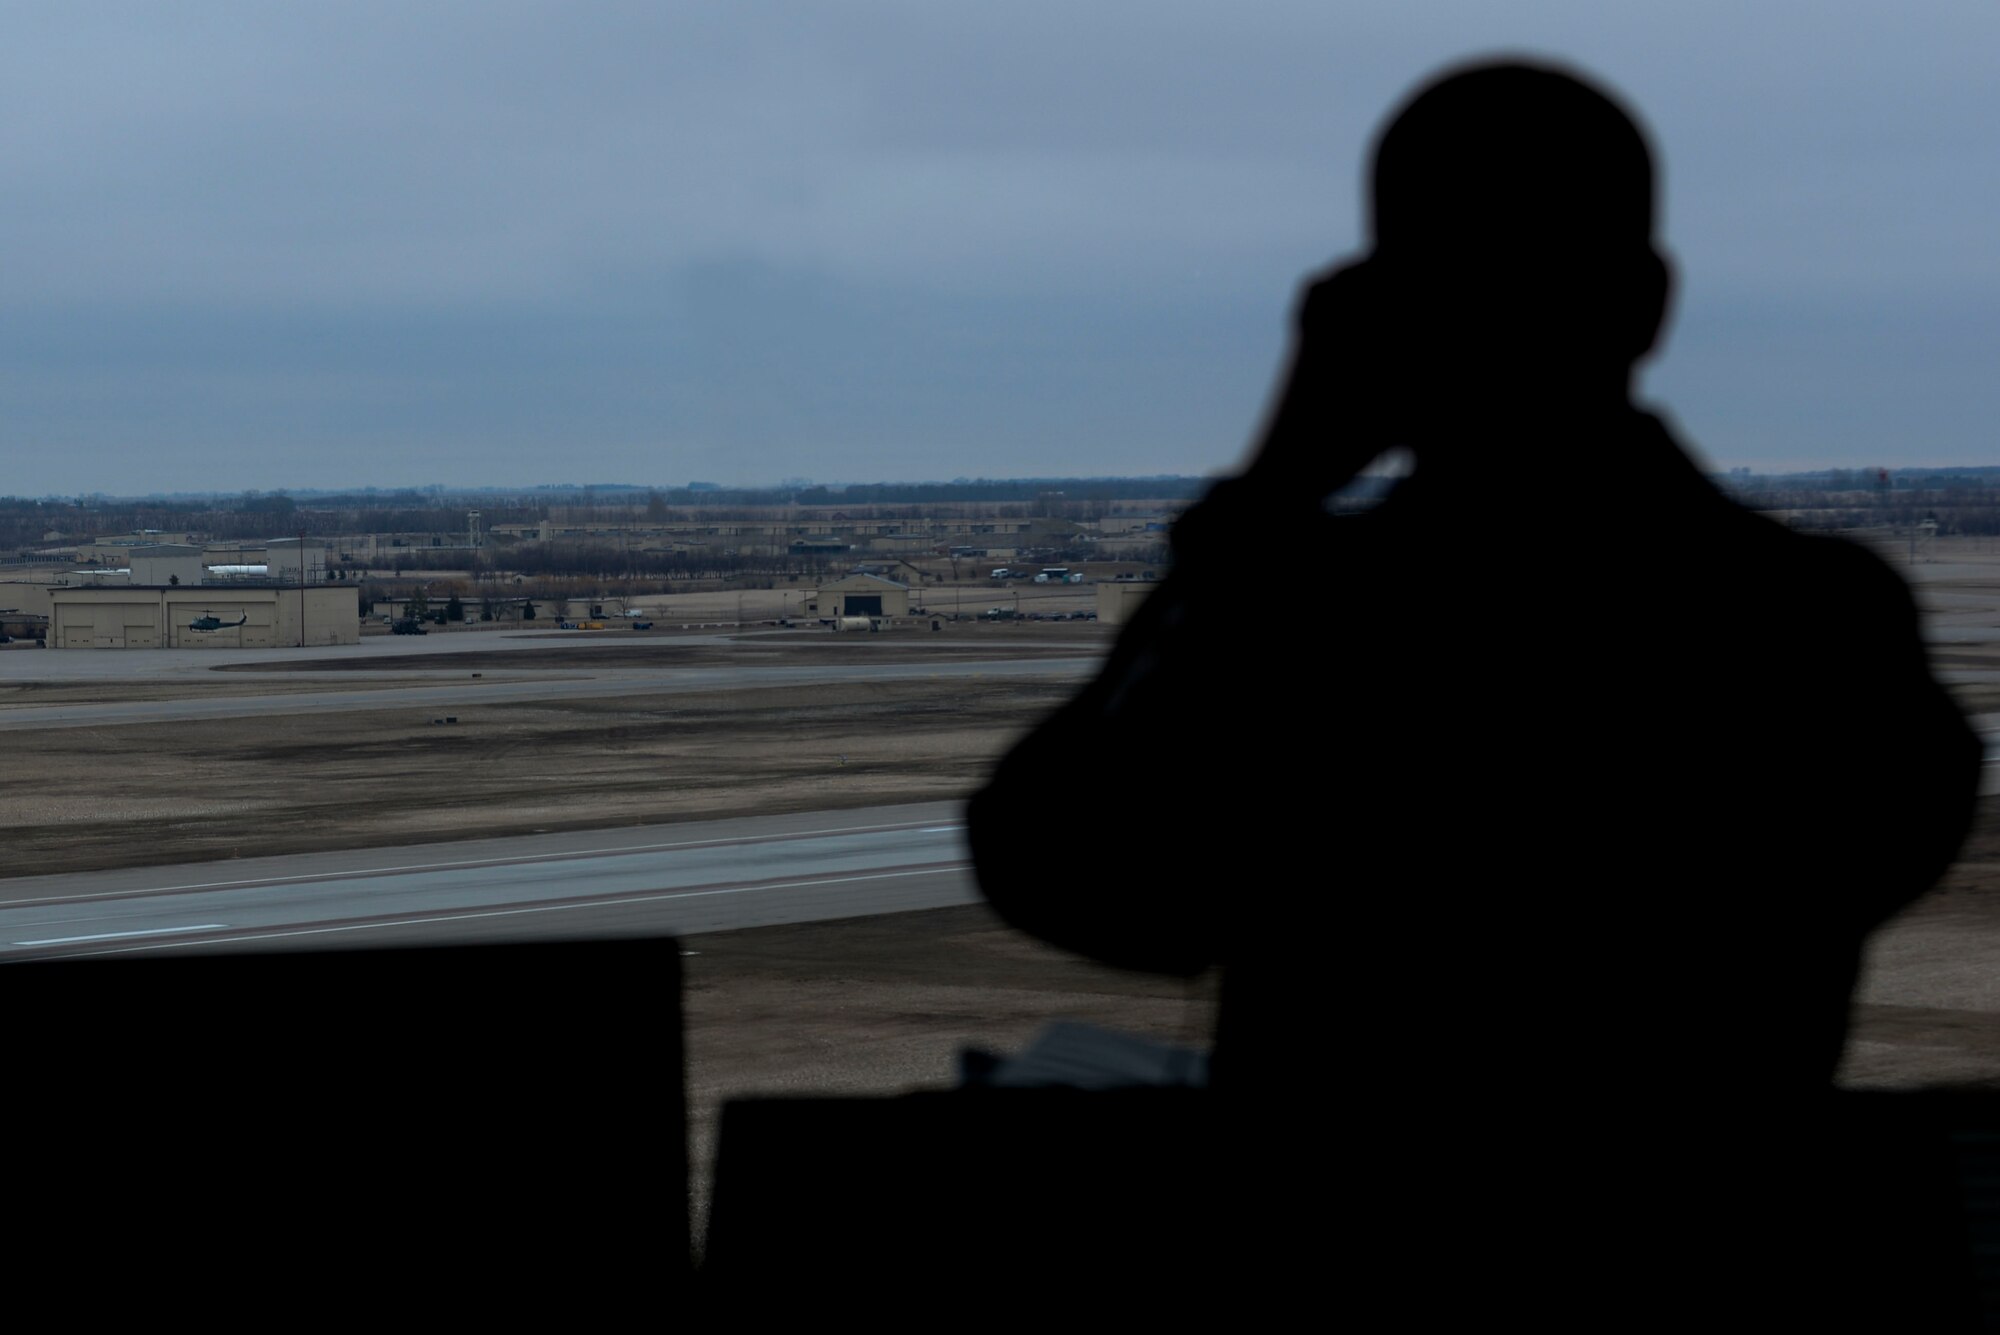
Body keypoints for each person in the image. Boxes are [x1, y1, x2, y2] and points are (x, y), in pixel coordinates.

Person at [966, 59, 1982, 1309]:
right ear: (1649, 305)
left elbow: (1058, 867)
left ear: (1379, 315)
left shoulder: (1312, 622)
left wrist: (1268, 494)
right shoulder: (1821, 626)